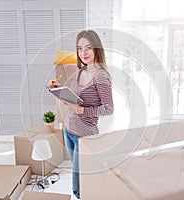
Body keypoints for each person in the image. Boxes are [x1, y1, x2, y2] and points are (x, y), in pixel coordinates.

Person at [49, 30, 114, 199]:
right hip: (69, 130)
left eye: (88, 48)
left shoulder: (101, 77)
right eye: (79, 48)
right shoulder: (80, 71)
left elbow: (108, 108)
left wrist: (82, 110)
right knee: (78, 175)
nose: (83, 53)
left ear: (97, 49)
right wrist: (58, 91)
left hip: (84, 137)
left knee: (78, 185)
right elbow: (73, 99)